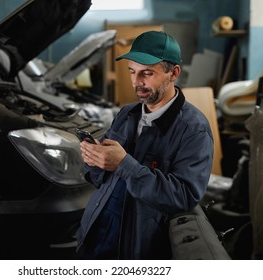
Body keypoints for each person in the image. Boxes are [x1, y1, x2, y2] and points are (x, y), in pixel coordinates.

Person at [75, 30, 214, 260]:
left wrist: (123, 164)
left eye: (147, 73)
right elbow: (101, 178)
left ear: (174, 73)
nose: (137, 82)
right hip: (94, 234)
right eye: (132, 72)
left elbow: (184, 196)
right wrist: (95, 161)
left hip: (135, 249)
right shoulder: (127, 114)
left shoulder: (194, 129)